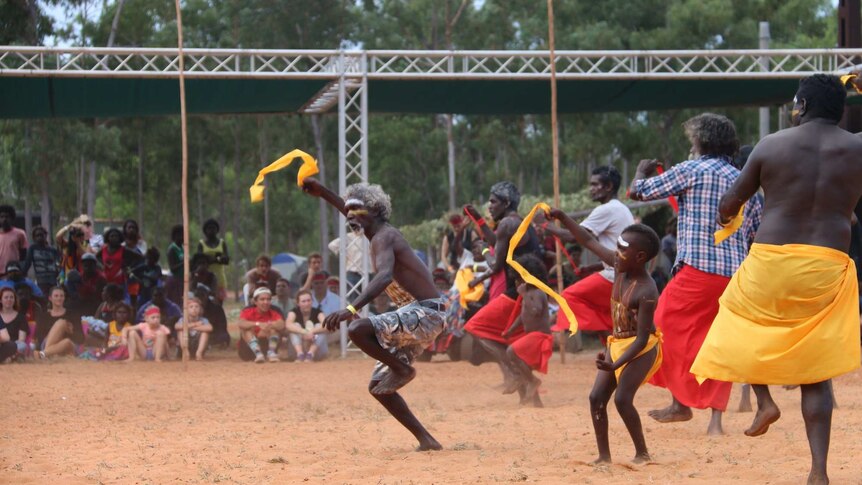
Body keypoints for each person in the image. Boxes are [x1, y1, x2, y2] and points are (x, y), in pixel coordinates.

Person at [690, 74, 862, 485]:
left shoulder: (773, 145)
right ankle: (818, 471)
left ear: (800, 106)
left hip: (771, 259)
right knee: (815, 370)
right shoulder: (858, 148)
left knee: (738, 323)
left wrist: (725, 218)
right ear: (840, 109)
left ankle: (764, 401)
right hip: (826, 264)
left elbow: (731, 201)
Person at [628, 112, 763, 435]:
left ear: (701, 142)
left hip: (697, 270)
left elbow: (639, 193)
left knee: (661, 326)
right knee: (716, 342)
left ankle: (680, 403)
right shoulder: (743, 179)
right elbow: (755, 230)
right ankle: (715, 422)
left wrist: (640, 172)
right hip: (734, 276)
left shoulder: (693, 170)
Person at [302, 176, 447, 451]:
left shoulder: (385, 237)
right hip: (420, 315)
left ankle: (401, 368)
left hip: (427, 313)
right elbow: (350, 208)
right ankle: (427, 440)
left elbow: (383, 276)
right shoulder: (375, 233)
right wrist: (323, 193)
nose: (350, 216)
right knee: (379, 386)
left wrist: (351, 308)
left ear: (377, 212)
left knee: (357, 329)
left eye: (358, 211)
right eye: (349, 211)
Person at [549, 208, 664, 463]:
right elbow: (587, 240)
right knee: (596, 398)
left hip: (640, 349)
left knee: (623, 400)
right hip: (618, 343)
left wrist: (616, 364)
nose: (617, 252)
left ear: (640, 256)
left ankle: (642, 454)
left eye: (623, 248)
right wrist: (563, 217)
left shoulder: (647, 291)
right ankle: (604, 457)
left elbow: (643, 339)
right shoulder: (618, 264)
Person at [462, 181, 542, 388]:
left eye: (493, 202)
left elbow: (496, 264)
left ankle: (513, 373)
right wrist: (478, 220)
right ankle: (526, 388)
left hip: (518, 291)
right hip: (527, 290)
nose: (489, 206)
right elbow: (496, 241)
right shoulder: (518, 222)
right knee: (508, 337)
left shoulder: (508, 224)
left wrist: (485, 252)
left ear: (506, 203)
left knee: (474, 327)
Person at [546, 166, 634, 341]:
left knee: (568, 297)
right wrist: (592, 267)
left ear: (608, 187)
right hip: (626, 277)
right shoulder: (621, 208)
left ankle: (609, 332)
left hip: (615, 276)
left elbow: (574, 236)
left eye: (595, 184)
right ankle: (612, 339)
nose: (590, 189)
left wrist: (545, 226)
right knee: (603, 314)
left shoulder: (606, 209)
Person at [500, 255, 552, 408]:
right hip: (532, 335)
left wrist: (523, 295)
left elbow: (536, 310)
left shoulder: (537, 293)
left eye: (519, 278)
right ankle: (537, 403)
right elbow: (523, 316)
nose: (516, 282)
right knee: (524, 365)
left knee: (511, 352)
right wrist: (510, 330)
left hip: (540, 336)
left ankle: (533, 381)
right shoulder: (528, 295)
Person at [238, 287, 302, 363]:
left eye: (268, 299)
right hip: (248, 351)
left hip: (266, 346)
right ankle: (258, 353)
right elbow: (241, 323)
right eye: (262, 299)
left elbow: (281, 324)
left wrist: (268, 326)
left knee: (274, 329)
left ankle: (271, 352)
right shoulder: (248, 311)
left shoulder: (274, 311)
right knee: (246, 330)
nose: (266, 302)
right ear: (255, 302)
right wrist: (257, 324)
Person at [34, 286, 80, 355]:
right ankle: (45, 353)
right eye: (56, 296)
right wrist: (53, 335)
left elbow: (81, 338)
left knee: (67, 341)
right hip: (46, 344)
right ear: (50, 298)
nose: (59, 298)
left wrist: (71, 332)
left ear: (64, 298)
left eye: (61, 296)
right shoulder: (43, 316)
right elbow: (38, 336)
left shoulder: (73, 315)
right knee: (61, 323)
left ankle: (44, 354)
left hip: (68, 347)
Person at [285, 290, 328, 362]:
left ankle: (310, 354)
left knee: (319, 326)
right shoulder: (293, 312)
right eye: (303, 301)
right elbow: (288, 325)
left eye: (309, 300)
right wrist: (304, 332)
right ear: (298, 303)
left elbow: (326, 325)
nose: (307, 303)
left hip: (316, 349)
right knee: (295, 325)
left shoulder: (318, 312)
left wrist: (311, 331)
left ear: (312, 301)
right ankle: (300, 354)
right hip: (297, 348)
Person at [328, 227, 367, 300]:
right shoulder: (349, 237)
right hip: (353, 272)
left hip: (368, 273)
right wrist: (343, 254)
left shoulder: (369, 237)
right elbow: (332, 245)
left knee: (368, 299)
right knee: (353, 300)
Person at [21, 225, 60, 297]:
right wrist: (21, 275)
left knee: (54, 297)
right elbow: (28, 263)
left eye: (41, 235)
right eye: (37, 235)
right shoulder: (33, 248)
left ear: (45, 235)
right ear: (34, 238)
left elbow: (58, 263)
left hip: (53, 279)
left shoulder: (52, 249)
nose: (39, 237)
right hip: (41, 280)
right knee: (44, 298)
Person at [196, 219, 229, 302]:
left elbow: (226, 260)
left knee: (219, 302)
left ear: (217, 230)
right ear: (205, 231)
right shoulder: (201, 244)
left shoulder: (222, 243)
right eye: (209, 228)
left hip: (220, 276)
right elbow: (199, 260)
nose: (211, 231)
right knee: (205, 300)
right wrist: (218, 258)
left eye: (213, 228)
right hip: (205, 277)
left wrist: (210, 259)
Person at [175, 297, 213, 361]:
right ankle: (185, 351)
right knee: (181, 330)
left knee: (205, 332)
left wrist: (190, 327)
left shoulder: (203, 320)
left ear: (200, 309)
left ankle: (199, 353)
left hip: (197, 346)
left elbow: (210, 328)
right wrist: (195, 324)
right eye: (191, 307)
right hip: (185, 346)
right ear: (186, 309)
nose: (194, 309)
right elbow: (177, 326)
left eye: (196, 307)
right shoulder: (183, 319)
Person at [194, 284, 230, 348]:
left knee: (222, 337)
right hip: (197, 331)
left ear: (207, 296)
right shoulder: (193, 308)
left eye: (203, 296)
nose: (201, 299)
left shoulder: (216, 308)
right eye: (199, 296)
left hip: (214, 332)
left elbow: (215, 326)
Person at [0, 286, 28, 361]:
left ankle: (10, 356)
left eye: (11, 297)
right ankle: (11, 357)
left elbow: (21, 339)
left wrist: (11, 345)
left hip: (14, 345)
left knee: (22, 345)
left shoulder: (21, 317)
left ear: (14, 300)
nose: (9, 299)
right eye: (6, 297)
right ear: (0, 300)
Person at [0, 205, 28, 272]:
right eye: (2, 217)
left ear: (12, 218)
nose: (4, 219)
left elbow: (23, 255)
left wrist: (21, 270)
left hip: (13, 272)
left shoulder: (20, 234)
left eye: (7, 216)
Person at [165, 224, 184, 305]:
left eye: (182, 235)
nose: (181, 237)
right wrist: (184, 263)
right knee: (175, 302)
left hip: (182, 279)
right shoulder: (172, 249)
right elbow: (172, 268)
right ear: (174, 236)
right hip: (174, 280)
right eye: (179, 235)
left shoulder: (183, 248)